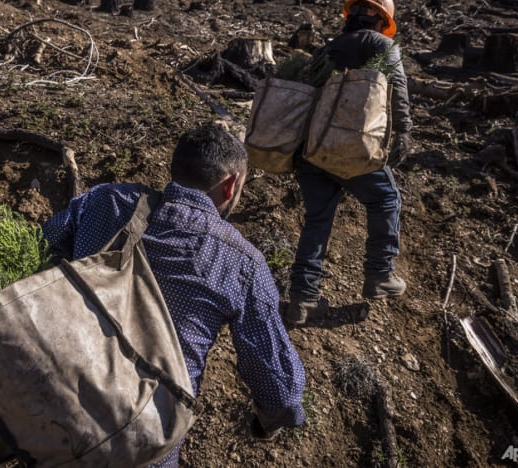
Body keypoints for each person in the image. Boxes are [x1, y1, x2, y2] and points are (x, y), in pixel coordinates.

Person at [41, 123, 306, 466]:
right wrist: (269, 422)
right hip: (145, 443)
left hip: (57, 421)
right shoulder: (241, 262)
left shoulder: (103, 201)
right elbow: (280, 388)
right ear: (230, 185)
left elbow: (34, 251)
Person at [285, 0, 414, 326]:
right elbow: (397, 85)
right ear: (379, 17)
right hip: (352, 145)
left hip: (312, 148)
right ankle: (379, 274)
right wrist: (404, 131)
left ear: (352, 14)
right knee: (386, 198)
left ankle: (303, 299)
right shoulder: (381, 44)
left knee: (317, 220)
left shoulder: (329, 48)